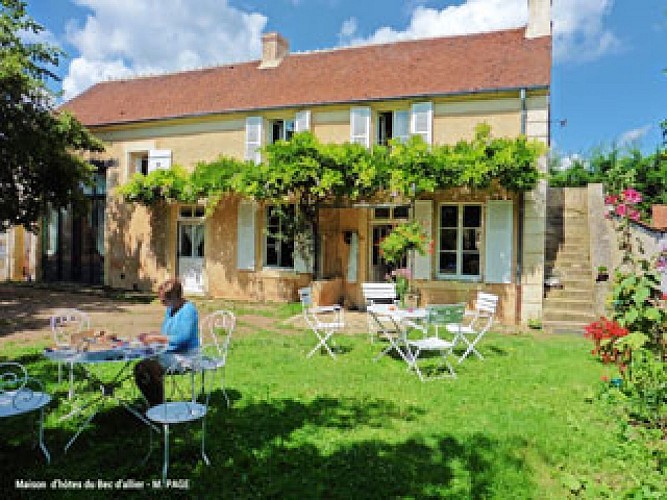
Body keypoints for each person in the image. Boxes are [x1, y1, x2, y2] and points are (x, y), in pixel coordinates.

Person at [133, 278, 199, 406]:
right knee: (140, 367)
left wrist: (155, 339)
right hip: (171, 352)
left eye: (164, 300)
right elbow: (166, 334)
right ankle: (152, 402)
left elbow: (182, 338)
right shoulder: (171, 309)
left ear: (175, 297)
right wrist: (151, 335)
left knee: (149, 368)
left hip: (187, 355)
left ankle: (158, 406)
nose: (162, 302)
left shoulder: (188, 310)